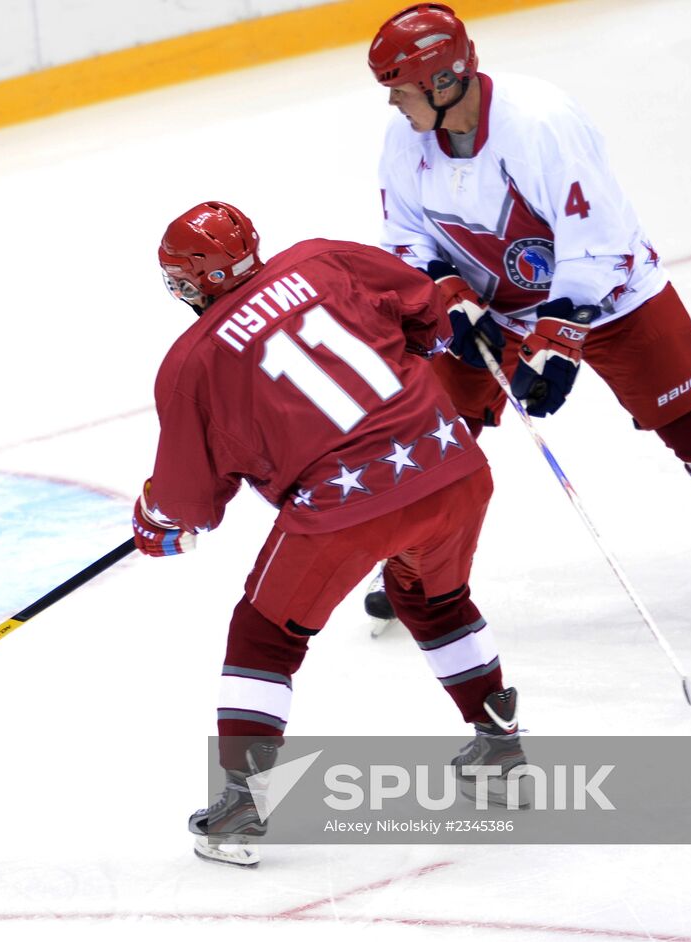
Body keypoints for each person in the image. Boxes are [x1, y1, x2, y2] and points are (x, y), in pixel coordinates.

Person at [359, 3, 691, 625]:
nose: (394, 104)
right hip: (495, 309)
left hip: (610, 294)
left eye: (401, 89)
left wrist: (559, 335)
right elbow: (404, 234)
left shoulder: (539, 123)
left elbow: (599, 237)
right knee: (432, 432)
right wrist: (449, 293)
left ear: (444, 81)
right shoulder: (407, 140)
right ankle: (411, 572)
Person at [133, 201, 522, 868]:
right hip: (451, 464)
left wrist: (155, 520)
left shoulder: (191, 362)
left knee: (265, 635)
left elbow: (189, 500)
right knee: (432, 599)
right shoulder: (326, 258)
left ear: (190, 282)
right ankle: (498, 745)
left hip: (343, 511)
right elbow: (427, 312)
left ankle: (242, 804)